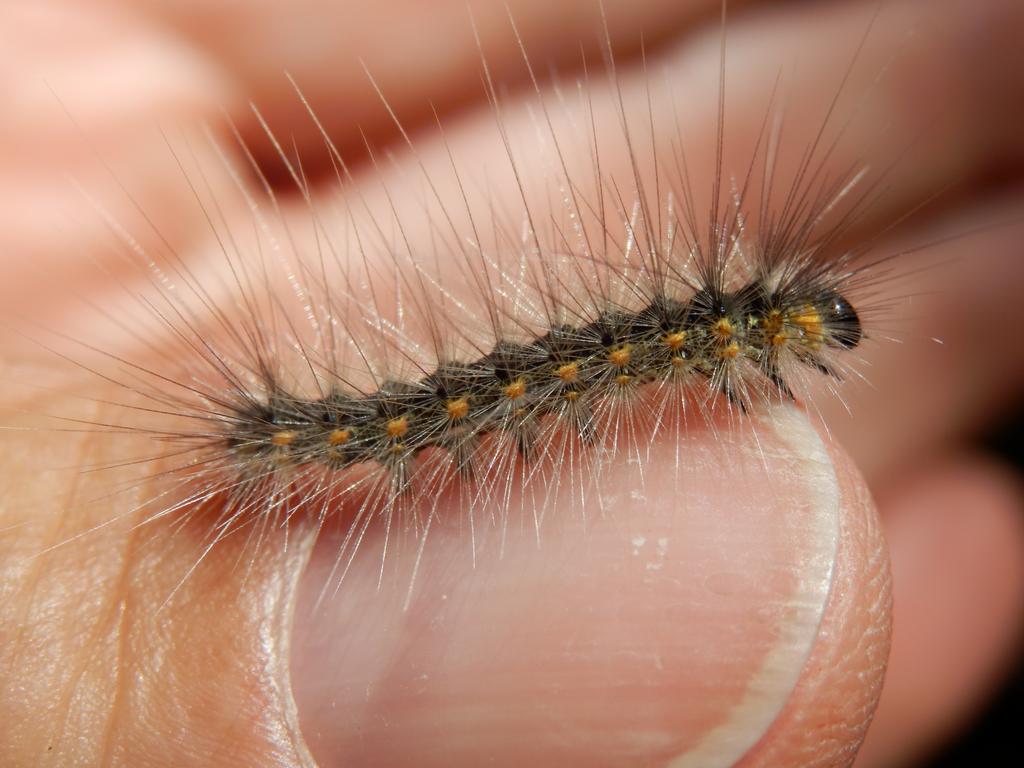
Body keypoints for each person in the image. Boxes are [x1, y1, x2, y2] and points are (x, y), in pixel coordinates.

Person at [1, 0, 1022, 765]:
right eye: (797, 328)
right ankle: (291, 440)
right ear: (754, 331)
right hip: (351, 428)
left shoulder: (679, 346)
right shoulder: (675, 343)